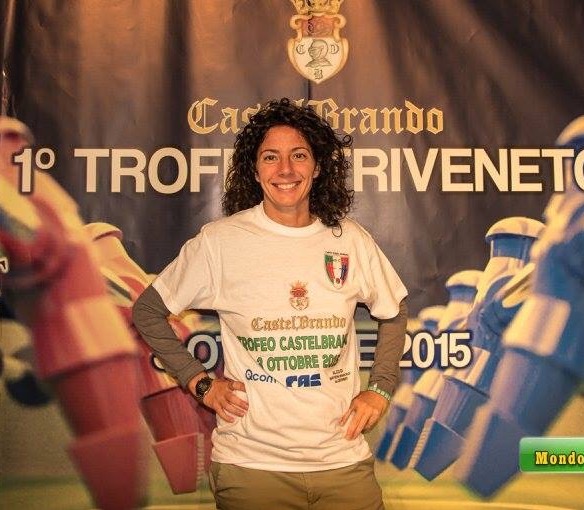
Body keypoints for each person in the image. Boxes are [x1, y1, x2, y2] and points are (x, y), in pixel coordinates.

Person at [132, 98, 408, 510]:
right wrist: (200, 382)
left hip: (342, 462)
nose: (285, 169)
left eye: (299, 155)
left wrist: (381, 388)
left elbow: (394, 310)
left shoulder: (350, 239)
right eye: (270, 157)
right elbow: (147, 312)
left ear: (318, 167)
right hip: (251, 469)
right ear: (254, 169)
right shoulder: (220, 242)